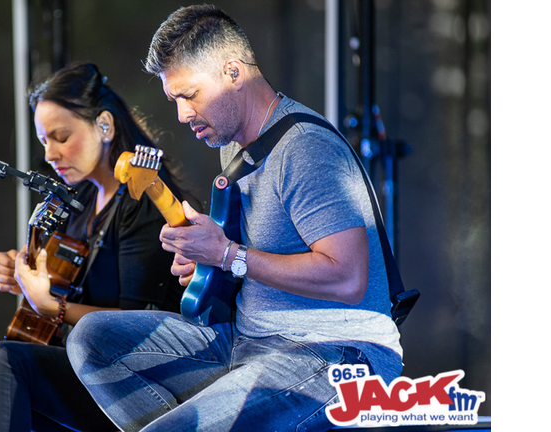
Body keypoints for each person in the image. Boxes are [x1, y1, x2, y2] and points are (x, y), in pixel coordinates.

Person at [66, 5, 404, 432]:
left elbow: (348, 278)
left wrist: (227, 255)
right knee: (93, 339)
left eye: (189, 95)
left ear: (233, 72)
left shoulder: (306, 149)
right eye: (174, 100)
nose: (182, 115)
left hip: (338, 356)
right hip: (248, 343)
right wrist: (206, 261)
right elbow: (254, 260)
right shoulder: (235, 149)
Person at [0, 62, 194, 432]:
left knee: (8, 360)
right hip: (81, 364)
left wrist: (52, 306)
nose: (50, 154)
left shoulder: (142, 201)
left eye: (60, 137)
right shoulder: (81, 202)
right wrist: (21, 272)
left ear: (104, 126)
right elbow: (66, 276)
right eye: (44, 141)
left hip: (131, 379)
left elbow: (137, 323)